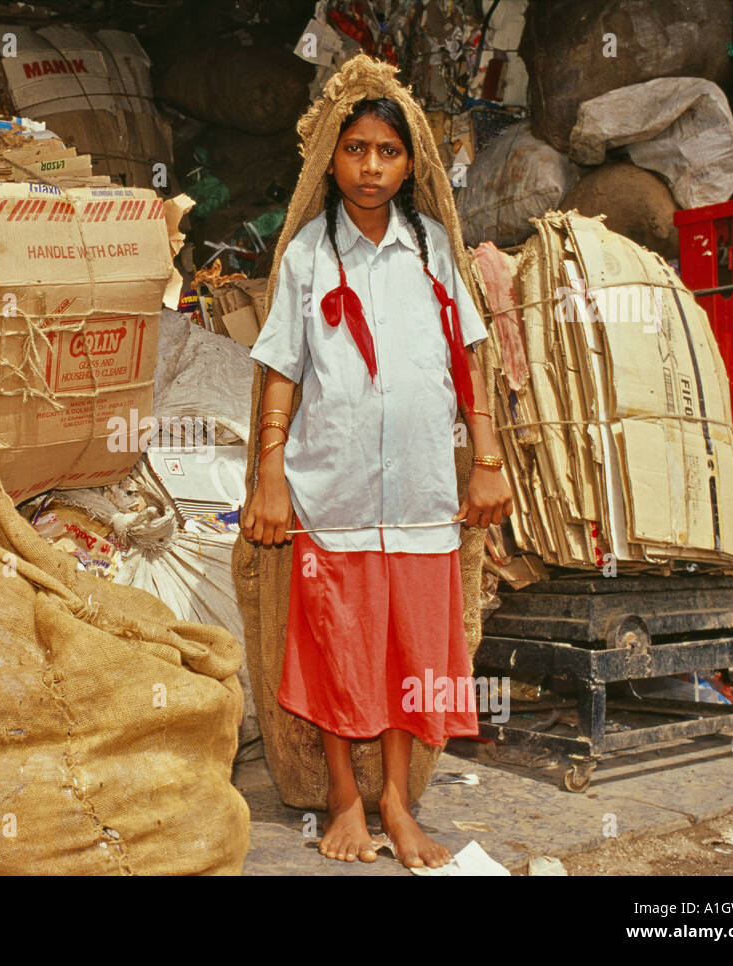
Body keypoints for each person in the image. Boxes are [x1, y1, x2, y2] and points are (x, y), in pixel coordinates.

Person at [240, 82, 513, 868]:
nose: (370, 166)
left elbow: (469, 357)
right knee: (339, 642)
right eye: (355, 149)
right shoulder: (308, 255)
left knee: (411, 650)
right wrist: (269, 474)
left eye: (387, 152)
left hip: (423, 493)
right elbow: (283, 368)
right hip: (337, 487)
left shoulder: (431, 246)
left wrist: (486, 462)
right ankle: (343, 797)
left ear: (408, 163)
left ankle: (396, 799)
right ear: (331, 158)